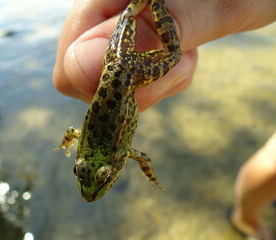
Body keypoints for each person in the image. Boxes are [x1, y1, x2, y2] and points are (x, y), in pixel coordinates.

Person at [52, 0, 276, 239]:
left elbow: (145, 159)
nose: (89, 191)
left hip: (131, 76)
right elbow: (70, 131)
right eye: (89, 174)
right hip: (112, 63)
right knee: (129, 15)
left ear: (114, 165)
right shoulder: (83, 140)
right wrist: (67, 141)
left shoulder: (121, 152)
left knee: (173, 53)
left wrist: (151, 175)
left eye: (82, 171)